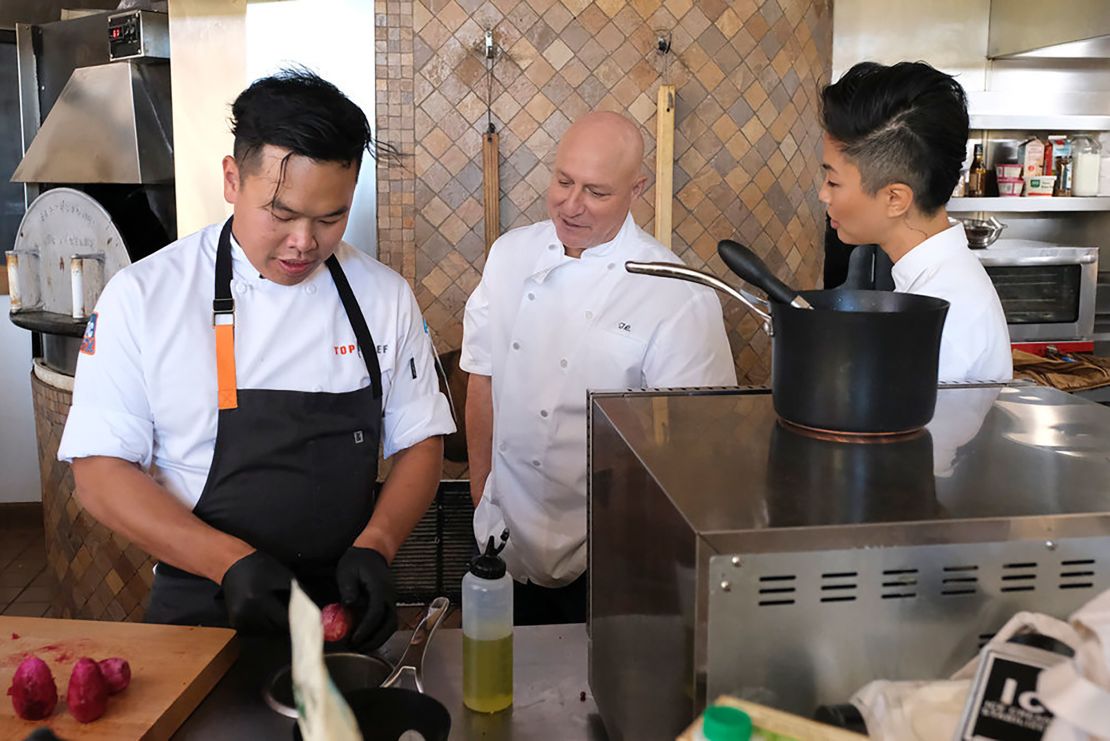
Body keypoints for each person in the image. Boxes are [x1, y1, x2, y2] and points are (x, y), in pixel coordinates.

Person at [57, 70, 455, 649]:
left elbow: (421, 441)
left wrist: (379, 544)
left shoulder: (382, 296)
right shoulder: (144, 296)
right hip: (203, 607)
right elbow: (98, 474)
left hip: (341, 610)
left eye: (330, 218)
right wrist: (227, 562)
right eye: (282, 213)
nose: (304, 242)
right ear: (231, 178)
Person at [460, 111, 737, 625]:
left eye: (596, 192)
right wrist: (483, 495)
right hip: (501, 537)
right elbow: (483, 376)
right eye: (563, 181)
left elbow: (698, 449)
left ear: (638, 189)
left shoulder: (677, 293)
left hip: (612, 557)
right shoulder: (509, 256)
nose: (571, 204)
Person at [819, 61, 1012, 383]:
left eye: (833, 182)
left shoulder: (942, 317)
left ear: (895, 199)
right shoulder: (930, 284)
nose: (823, 195)